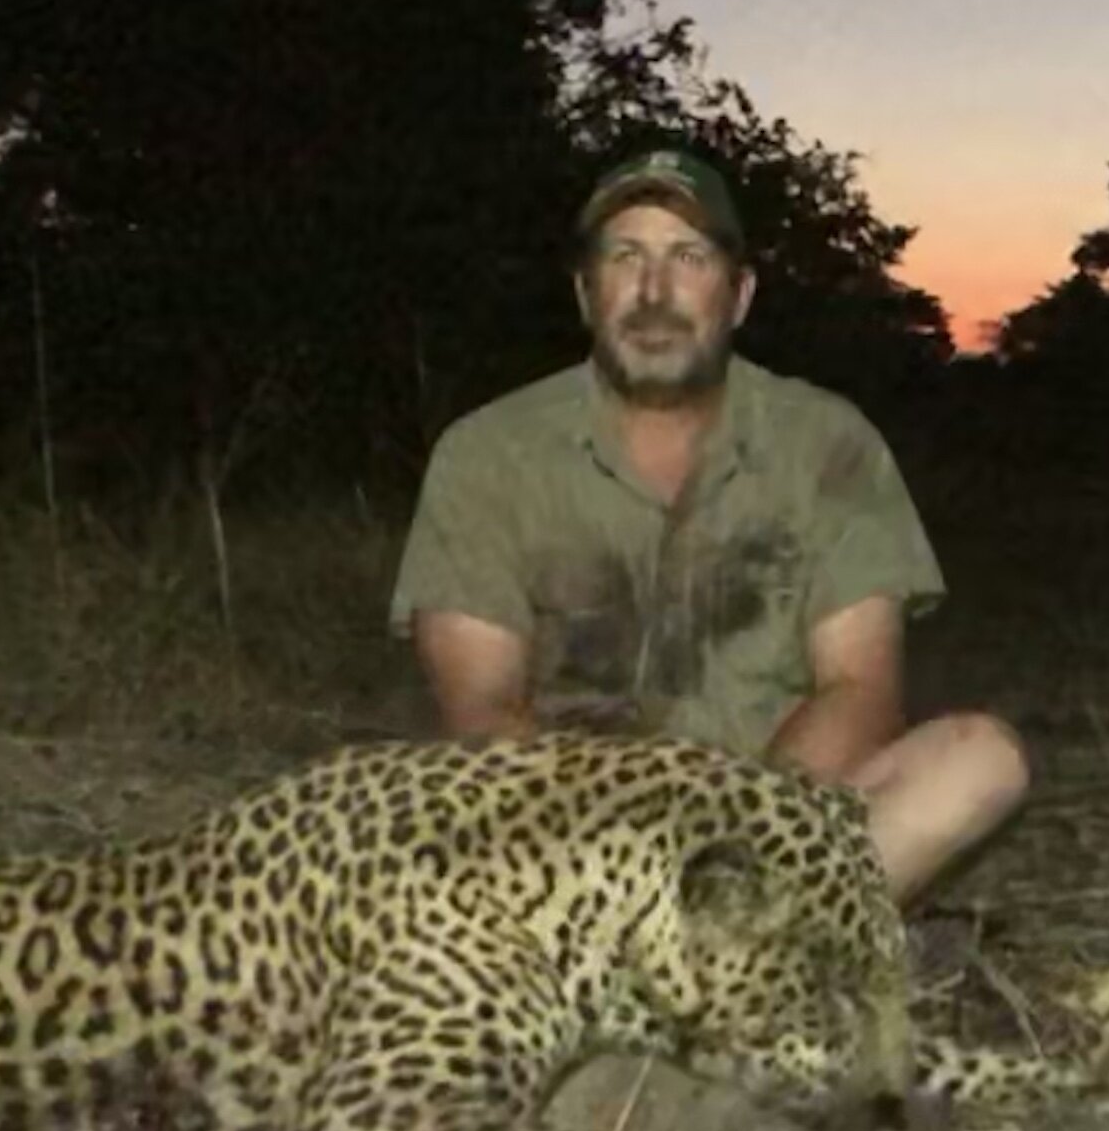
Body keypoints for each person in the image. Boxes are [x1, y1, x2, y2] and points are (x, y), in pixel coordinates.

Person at [390, 146, 1029, 901]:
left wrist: (730, 842)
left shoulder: (829, 441)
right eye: (625, 255)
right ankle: (759, 965)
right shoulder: (485, 452)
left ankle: (740, 943)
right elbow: (482, 709)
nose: (654, 291)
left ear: (740, 294)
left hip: (770, 838)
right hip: (563, 847)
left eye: (688, 256)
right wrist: (620, 860)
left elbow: (860, 690)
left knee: (982, 760)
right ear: (586, 293)